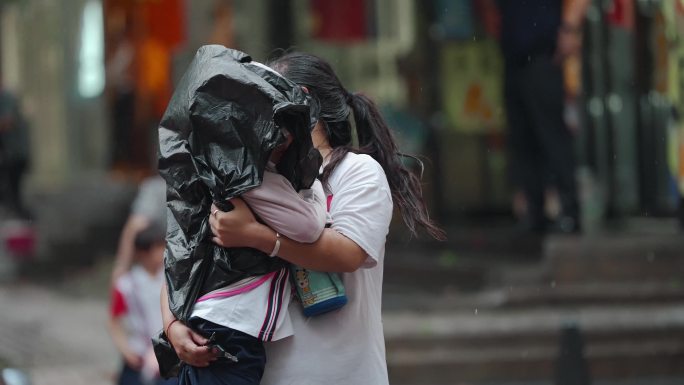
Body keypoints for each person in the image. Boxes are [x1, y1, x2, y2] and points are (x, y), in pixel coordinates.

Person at [161, 52, 445, 385]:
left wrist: (256, 236)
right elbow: (183, 249)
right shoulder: (249, 174)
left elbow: (348, 253)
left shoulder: (357, 172)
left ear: (303, 103)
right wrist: (172, 326)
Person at [480, 0, 590, 233]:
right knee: (523, 138)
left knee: (552, 136)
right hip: (514, 54)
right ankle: (535, 212)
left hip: (543, 52)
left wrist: (570, 28)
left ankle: (570, 210)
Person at [109, 223, 177, 385]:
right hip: (138, 353)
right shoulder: (126, 285)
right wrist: (125, 350)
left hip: (168, 351)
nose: (163, 253)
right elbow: (114, 320)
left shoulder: (172, 278)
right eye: (158, 248)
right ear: (142, 253)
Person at [111, 174, 167, 284]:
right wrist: (122, 267)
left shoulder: (157, 187)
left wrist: (122, 267)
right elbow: (135, 226)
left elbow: (134, 226)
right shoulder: (158, 188)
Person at [0, 84, 30, 218]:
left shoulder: (7, 97)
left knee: (13, 194)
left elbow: (7, 122)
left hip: (15, 154)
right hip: (10, 154)